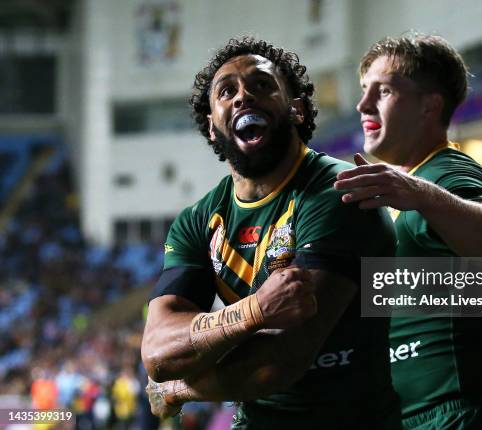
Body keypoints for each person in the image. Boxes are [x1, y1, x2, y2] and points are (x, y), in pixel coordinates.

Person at [141, 37, 401, 429]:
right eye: (227, 91)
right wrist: (253, 311)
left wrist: (179, 390)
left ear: (295, 109)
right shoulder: (197, 221)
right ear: (212, 127)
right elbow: (159, 353)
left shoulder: (340, 191)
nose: (243, 96)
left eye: (261, 84)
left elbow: (277, 365)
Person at [334, 34, 482, 429]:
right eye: (364, 91)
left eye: (385, 90)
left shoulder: (447, 171)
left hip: (463, 415)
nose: (362, 105)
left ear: (430, 105)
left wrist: (418, 191)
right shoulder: (408, 189)